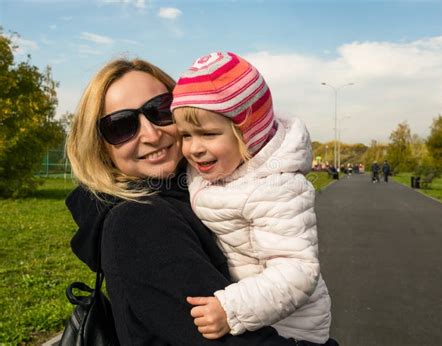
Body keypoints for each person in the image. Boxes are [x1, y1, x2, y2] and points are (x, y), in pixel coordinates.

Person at [65, 57, 316, 345]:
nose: (151, 134)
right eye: (122, 126)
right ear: (100, 147)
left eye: (160, 110)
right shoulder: (139, 222)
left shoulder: (203, 190)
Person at [171, 52, 334, 345]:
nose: (194, 148)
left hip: (290, 327)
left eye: (208, 133)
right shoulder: (215, 168)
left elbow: (298, 272)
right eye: (185, 135)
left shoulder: (276, 188)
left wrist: (232, 308)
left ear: (248, 133)